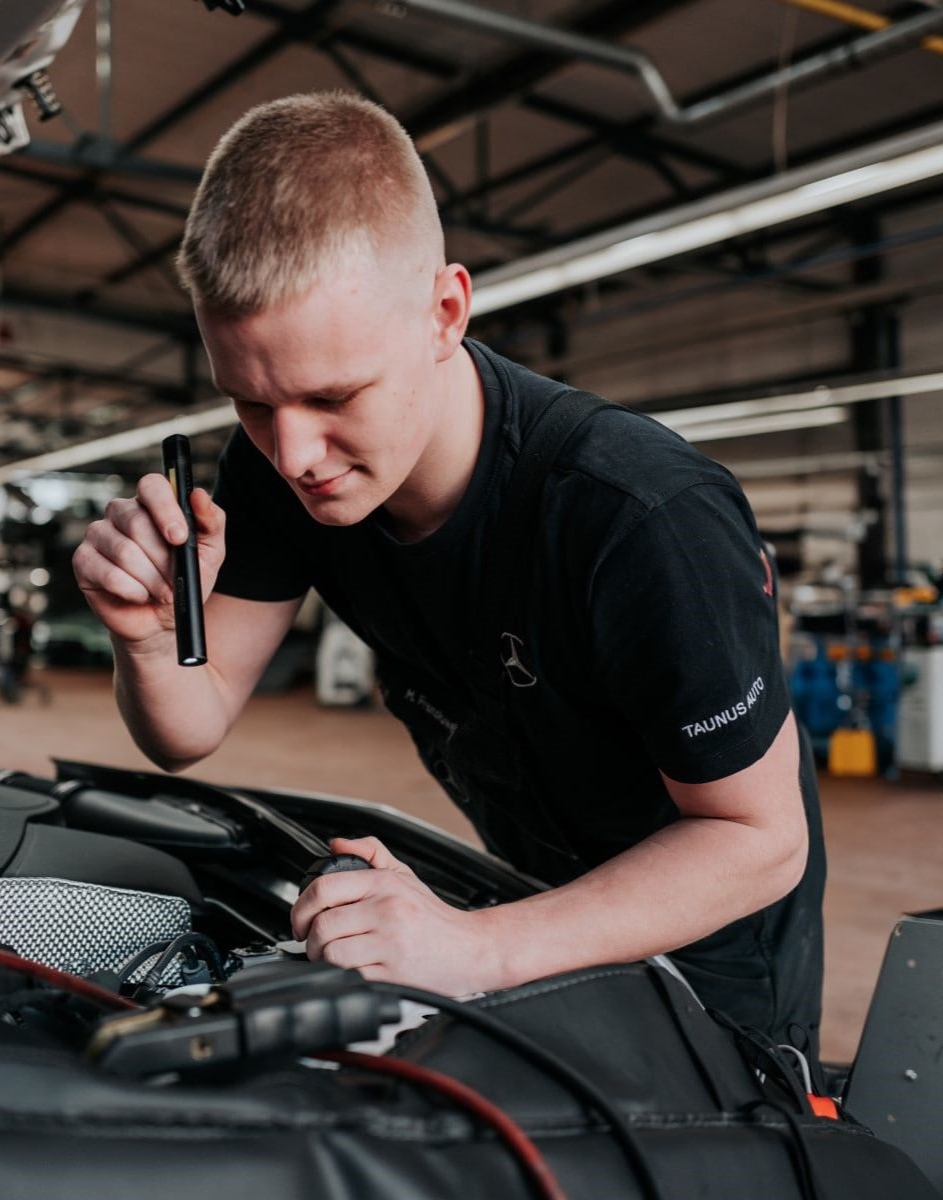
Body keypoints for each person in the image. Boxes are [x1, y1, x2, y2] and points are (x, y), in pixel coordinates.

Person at [73, 92, 825, 1051]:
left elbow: (761, 840)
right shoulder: (274, 471)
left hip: (709, 937)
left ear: (445, 311)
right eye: (250, 402)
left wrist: (476, 950)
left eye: (333, 394)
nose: (294, 452)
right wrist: (142, 639)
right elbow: (192, 722)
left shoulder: (637, 515)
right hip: (528, 884)